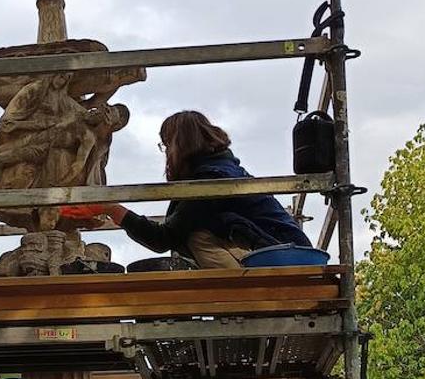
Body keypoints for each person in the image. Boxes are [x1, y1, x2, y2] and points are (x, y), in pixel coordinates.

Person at [65, 110, 311, 269]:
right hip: (286, 251)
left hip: (282, 258)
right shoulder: (220, 170)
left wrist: (112, 208)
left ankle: (239, 296)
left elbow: (165, 238)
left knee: (196, 237)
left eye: (166, 145)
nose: (166, 153)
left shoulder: (209, 180)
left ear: (178, 144)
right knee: (194, 237)